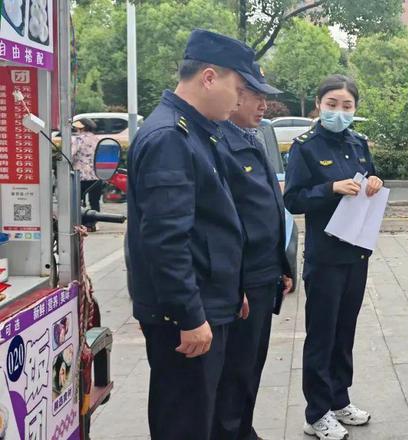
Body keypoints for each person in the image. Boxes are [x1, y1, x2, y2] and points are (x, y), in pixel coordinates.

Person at [126, 29, 255, 440]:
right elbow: (165, 239)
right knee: (184, 420)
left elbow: (210, 225)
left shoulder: (196, 131)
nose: (240, 101)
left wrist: (233, 289)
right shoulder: (170, 137)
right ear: (210, 77)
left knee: (202, 413)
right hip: (187, 315)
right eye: (238, 88)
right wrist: (190, 314)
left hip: (208, 300)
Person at [284, 74, 383, 440]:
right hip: (325, 257)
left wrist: (374, 182)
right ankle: (317, 413)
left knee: (345, 332)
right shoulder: (305, 147)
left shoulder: (359, 143)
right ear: (318, 105)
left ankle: (340, 399)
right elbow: (292, 199)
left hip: (356, 252)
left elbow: (371, 179)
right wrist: (330, 188)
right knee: (322, 335)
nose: (339, 112)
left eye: (347, 106)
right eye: (332, 105)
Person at [214, 62, 294, 440]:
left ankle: (243, 428)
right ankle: (231, 431)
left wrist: (283, 263)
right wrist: (236, 282)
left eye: (266, 98)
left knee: (251, 364)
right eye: (257, 96)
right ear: (234, 94)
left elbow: (268, 212)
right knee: (235, 368)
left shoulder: (254, 136)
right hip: (242, 281)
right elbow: (225, 225)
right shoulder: (219, 144)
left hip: (264, 274)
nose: (265, 105)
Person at [71, 118, 101, 231]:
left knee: (79, 201)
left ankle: (81, 224)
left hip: (80, 175)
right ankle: (94, 223)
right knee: (95, 201)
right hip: (96, 175)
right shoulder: (97, 139)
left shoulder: (78, 139)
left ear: (81, 127)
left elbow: (70, 154)